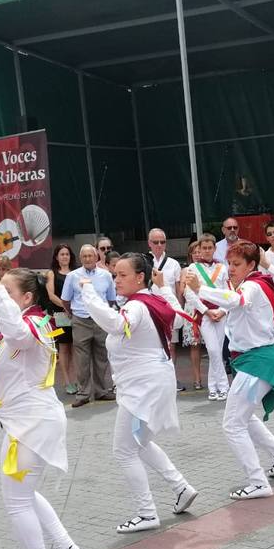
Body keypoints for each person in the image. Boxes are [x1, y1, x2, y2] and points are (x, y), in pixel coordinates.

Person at [0, 264, 83, 549]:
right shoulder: (24, 321)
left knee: (17, 501)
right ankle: (64, 548)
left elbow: (18, 335)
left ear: (26, 297)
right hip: (27, 423)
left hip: (31, 425)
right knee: (25, 494)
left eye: (7, 292)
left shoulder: (31, 323)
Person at [79, 253, 198, 532]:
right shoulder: (151, 300)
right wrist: (164, 288)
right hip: (151, 384)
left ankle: (146, 513)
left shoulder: (137, 306)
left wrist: (88, 294)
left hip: (143, 389)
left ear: (140, 277)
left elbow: (116, 324)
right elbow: (179, 320)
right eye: (114, 275)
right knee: (139, 443)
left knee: (123, 450)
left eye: (122, 275)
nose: (116, 280)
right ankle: (180, 487)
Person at [184, 239, 274, 499]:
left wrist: (202, 289)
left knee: (233, 424)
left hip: (257, 362)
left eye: (236, 264)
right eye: (229, 263)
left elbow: (236, 300)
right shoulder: (257, 283)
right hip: (256, 361)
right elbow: (235, 302)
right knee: (243, 416)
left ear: (251, 265)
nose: (230, 269)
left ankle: (258, 482)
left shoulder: (253, 286)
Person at [61, 243, 116, 408]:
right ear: (80, 258)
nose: (87, 259)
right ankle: (83, 393)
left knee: (101, 357)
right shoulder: (72, 276)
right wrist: (72, 313)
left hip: (100, 321)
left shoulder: (106, 275)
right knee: (82, 360)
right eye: (84, 256)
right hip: (81, 320)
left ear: (96, 257)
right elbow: (65, 299)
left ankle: (102, 391)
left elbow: (111, 298)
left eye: (90, 255)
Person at [184, 235, 224, 396]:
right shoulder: (192, 268)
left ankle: (214, 388)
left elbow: (227, 291)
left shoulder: (222, 267)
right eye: (204, 248)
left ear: (215, 249)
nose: (207, 251)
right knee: (212, 350)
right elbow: (189, 293)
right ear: (199, 250)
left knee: (218, 351)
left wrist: (223, 310)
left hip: (221, 314)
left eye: (210, 248)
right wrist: (205, 311)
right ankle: (224, 386)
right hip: (204, 314)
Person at [148, 228, 184, 389]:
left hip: (169, 308)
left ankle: (171, 377)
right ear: (149, 243)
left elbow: (178, 289)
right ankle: (154, 380)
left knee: (171, 344)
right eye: (155, 242)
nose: (159, 245)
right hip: (148, 309)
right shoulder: (142, 261)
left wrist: (180, 309)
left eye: (162, 242)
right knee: (151, 344)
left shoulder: (173, 264)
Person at [44, 244, 78, 395]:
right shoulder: (52, 273)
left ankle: (77, 379)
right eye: (62, 254)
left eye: (67, 254)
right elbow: (51, 295)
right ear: (56, 257)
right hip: (60, 314)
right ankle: (67, 381)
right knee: (64, 348)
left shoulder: (76, 272)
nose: (65, 257)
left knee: (76, 348)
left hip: (76, 313)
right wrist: (65, 306)